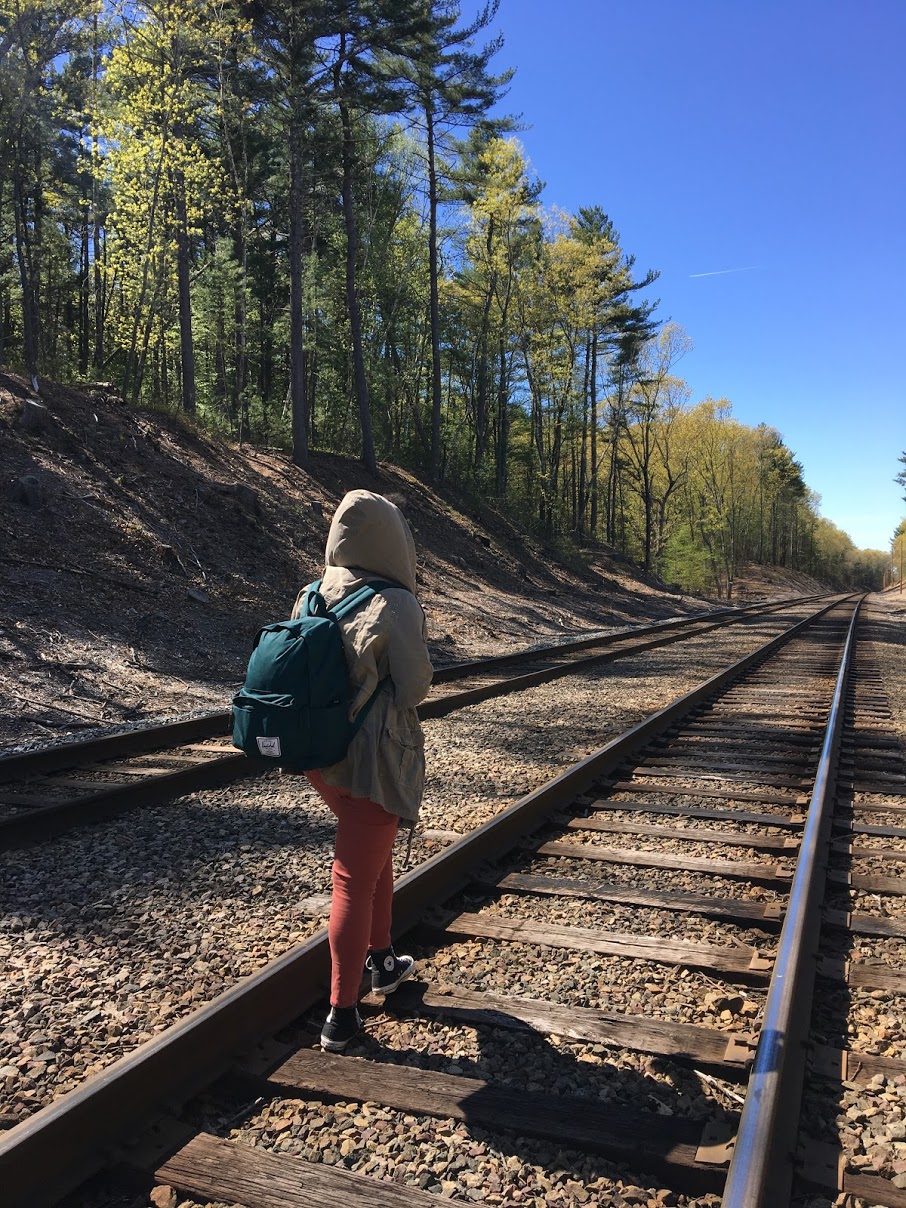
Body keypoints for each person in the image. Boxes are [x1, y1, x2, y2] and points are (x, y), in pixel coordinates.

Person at [292, 489, 433, 1052]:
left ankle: (383, 958)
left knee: (372, 860)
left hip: (321, 757)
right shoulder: (397, 602)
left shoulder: (311, 590)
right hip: (372, 760)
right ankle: (342, 1016)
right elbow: (416, 686)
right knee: (353, 876)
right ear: (394, 539)